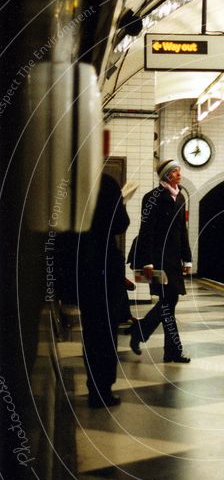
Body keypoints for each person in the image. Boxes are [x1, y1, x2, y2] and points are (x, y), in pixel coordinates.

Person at [129, 159, 192, 363]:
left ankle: (142, 333)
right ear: (166, 176)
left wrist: (187, 258)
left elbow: (183, 230)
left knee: (168, 304)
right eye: (175, 171)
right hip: (157, 259)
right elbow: (146, 230)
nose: (179, 174)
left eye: (179, 170)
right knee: (168, 303)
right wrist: (147, 261)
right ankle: (172, 350)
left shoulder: (181, 197)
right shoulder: (152, 198)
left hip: (173, 259)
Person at [77, 172, 130, 407]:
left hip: (82, 268)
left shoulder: (71, 181)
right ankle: (103, 390)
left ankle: (93, 387)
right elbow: (120, 223)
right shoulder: (105, 182)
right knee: (106, 331)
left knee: (90, 331)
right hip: (104, 266)